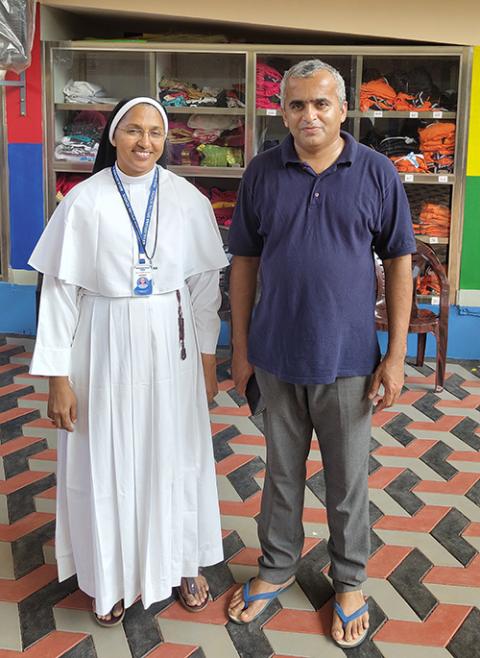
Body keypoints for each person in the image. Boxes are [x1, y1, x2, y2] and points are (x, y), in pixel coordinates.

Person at [227, 61, 416, 648]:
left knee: (347, 480)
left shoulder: (377, 172)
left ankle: (351, 579)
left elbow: (400, 261)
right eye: (295, 105)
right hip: (276, 355)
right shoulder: (261, 172)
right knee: (281, 474)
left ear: (342, 109)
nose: (308, 116)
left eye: (320, 104)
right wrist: (238, 348)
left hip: (350, 359)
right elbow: (245, 264)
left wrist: (395, 353)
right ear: (281, 110)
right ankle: (277, 567)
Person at [29, 97, 229, 625]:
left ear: (167, 140)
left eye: (156, 133)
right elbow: (58, 293)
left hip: (171, 341)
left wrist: (207, 361)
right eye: (135, 131)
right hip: (101, 341)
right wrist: (57, 379)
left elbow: (205, 288)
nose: (146, 142)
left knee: (176, 453)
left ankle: (183, 561)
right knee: (106, 459)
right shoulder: (83, 202)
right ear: (114, 137)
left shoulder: (189, 200)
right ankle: (109, 577)